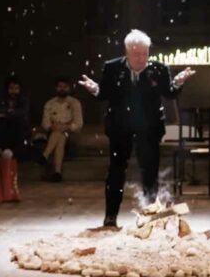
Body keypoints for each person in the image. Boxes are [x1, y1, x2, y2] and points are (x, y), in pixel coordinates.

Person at [78, 29, 195, 227]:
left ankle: (150, 216)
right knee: (116, 171)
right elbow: (103, 93)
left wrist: (178, 82)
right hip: (119, 128)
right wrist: (94, 89)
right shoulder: (112, 68)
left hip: (149, 129)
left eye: (145, 53)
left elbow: (169, 92)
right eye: (136, 54)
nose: (141, 58)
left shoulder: (159, 69)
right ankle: (110, 216)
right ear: (127, 52)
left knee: (150, 171)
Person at [39, 76, 84, 182]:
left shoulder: (75, 103)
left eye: (65, 86)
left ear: (69, 88)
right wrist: (54, 127)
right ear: (56, 88)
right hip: (54, 133)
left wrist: (67, 127)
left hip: (71, 134)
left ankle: (45, 155)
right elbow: (45, 123)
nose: (62, 89)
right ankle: (57, 173)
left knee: (61, 133)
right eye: (60, 86)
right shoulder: (49, 104)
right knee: (60, 135)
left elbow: (79, 123)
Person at [0, 75, 30, 161]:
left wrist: (11, 113)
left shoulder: (24, 99)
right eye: (11, 88)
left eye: (16, 88)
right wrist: (7, 111)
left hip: (17, 125)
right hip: (2, 125)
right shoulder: (0, 97)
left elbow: (23, 111)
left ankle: (16, 155)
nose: (14, 91)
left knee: (20, 123)